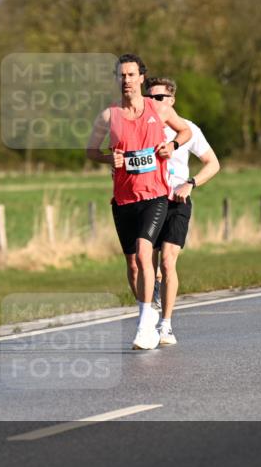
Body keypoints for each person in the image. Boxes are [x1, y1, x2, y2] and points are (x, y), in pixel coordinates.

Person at [86, 55, 192, 350]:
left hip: (155, 196)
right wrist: (111, 158)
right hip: (123, 199)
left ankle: (146, 326)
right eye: (121, 75)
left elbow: (186, 131)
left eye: (131, 74)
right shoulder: (108, 116)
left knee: (146, 253)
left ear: (141, 78)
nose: (126, 80)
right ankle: (148, 308)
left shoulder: (157, 108)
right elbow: (91, 151)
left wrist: (170, 146)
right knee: (133, 265)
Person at [145, 76, 220, 345]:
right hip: (149, 201)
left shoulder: (188, 129)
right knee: (148, 265)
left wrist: (191, 183)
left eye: (159, 97)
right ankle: (151, 298)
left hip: (177, 200)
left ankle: (166, 325)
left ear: (172, 100)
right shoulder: (142, 126)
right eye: (149, 97)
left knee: (167, 261)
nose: (153, 102)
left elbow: (213, 163)